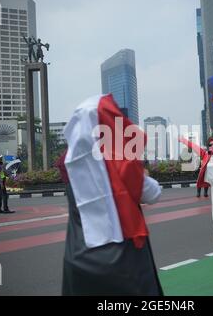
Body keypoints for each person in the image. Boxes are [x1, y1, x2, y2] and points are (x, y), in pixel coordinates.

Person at [60, 94, 163, 295]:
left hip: (78, 257)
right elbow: (153, 193)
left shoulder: (71, 167)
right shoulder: (121, 165)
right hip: (122, 260)